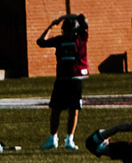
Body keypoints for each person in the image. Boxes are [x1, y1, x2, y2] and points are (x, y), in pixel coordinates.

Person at [39, 9, 93, 149]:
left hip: (75, 78)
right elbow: (41, 42)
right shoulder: (60, 40)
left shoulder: (81, 39)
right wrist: (51, 26)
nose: (67, 33)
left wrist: (62, 17)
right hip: (62, 79)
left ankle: (69, 139)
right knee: (56, 109)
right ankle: (53, 138)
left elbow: (83, 18)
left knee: (74, 110)